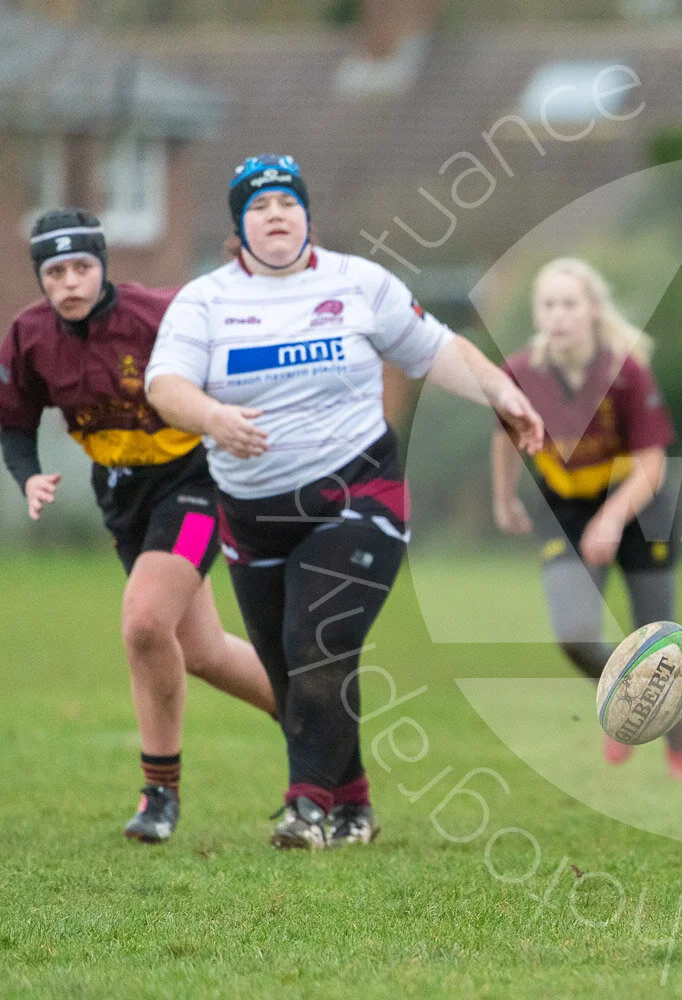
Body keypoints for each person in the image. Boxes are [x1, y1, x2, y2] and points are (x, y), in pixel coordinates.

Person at [145, 154, 544, 849]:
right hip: (252, 515)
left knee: (319, 639)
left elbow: (436, 349)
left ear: (308, 216)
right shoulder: (204, 301)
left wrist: (504, 394)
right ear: (239, 228)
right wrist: (212, 417)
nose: (276, 214)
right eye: (259, 206)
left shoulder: (358, 283)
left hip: (359, 490)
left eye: (287, 203)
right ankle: (354, 803)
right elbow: (163, 386)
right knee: (287, 672)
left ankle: (306, 808)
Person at [0, 209, 277, 843]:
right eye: (55, 271)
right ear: (40, 278)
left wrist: (252, 270)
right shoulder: (29, 336)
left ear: (104, 266)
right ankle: (316, 724)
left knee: (147, 620)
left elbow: (231, 320)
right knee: (200, 651)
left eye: (82, 267)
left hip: (194, 482)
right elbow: (14, 422)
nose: (70, 282)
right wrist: (28, 476)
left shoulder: (161, 314)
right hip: (122, 493)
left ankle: (159, 793)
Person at [490, 257, 682, 778]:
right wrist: (504, 497)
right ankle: (627, 708)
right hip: (566, 508)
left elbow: (652, 465)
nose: (558, 315)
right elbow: (504, 432)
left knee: (660, 637)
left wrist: (610, 518)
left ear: (592, 311)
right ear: (538, 313)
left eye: (569, 304)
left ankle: (679, 751)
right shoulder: (518, 372)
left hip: (637, 502)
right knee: (576, 636)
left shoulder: (625, 372)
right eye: (549, 304)